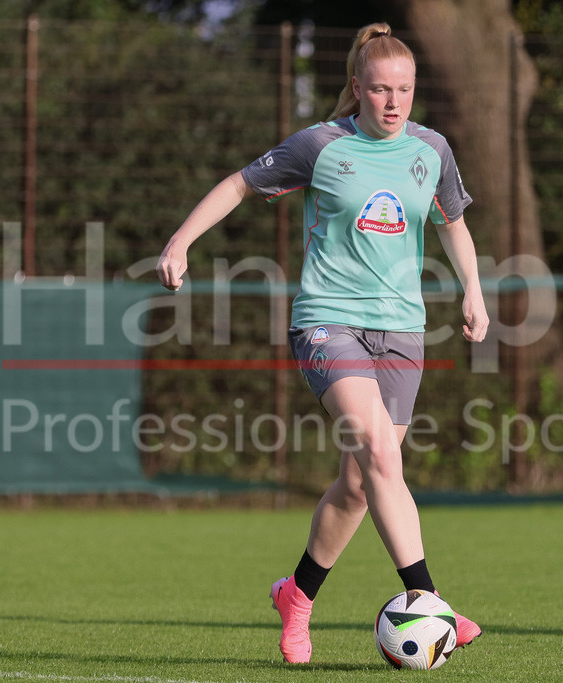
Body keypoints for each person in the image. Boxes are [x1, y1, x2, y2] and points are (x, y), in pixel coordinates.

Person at [156, 22, 488, 664]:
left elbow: (454, 224)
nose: (395, 102)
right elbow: (238, 185)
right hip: (327, 322)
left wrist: (473, 289)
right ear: (358, 89)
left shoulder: (433, 149)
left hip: (403, 328)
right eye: (382, 90)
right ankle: (429, 600)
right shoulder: (321, 145)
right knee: (379, 457)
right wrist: (180, 240)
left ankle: (297, 597)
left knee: (362, 485)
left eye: (406, 90)